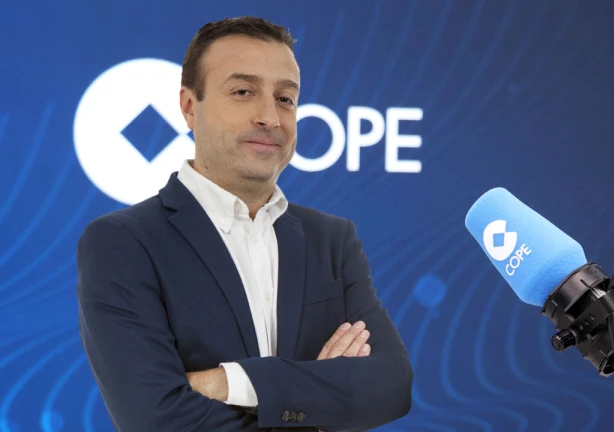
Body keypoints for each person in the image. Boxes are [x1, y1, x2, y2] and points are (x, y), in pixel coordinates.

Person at [76, 16, 413, 432]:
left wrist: (233, 381)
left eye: (285, 98)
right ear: (189, 107)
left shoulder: (332, 239)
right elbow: (154, 418)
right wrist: (317, 400)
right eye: (243, 92)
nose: (270, 117)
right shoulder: (123, 242)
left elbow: (391, 386)